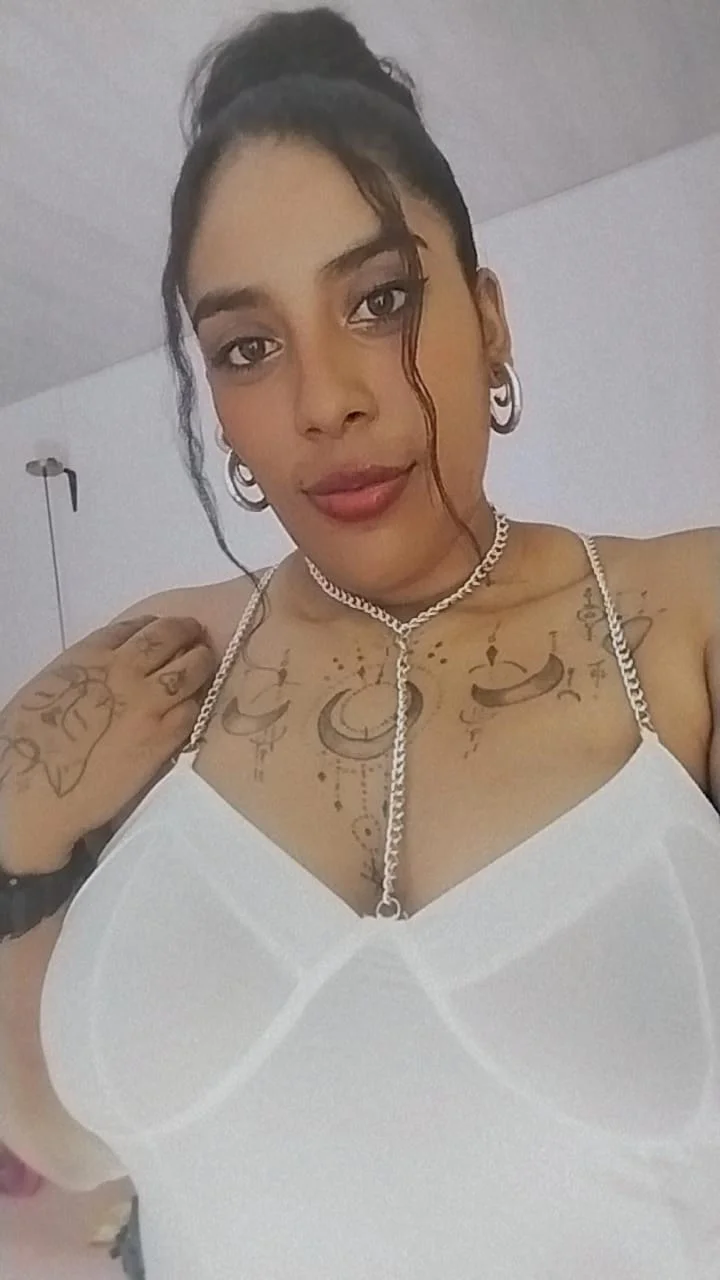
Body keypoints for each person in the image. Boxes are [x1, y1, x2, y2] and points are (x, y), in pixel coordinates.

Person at [1, 7, 719, 1277]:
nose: (322, 398)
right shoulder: (135, 677)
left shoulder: (685, 618)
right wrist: (16, 856)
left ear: (491, 321)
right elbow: (67, 1139)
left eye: (380, 299)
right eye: (248, 346)